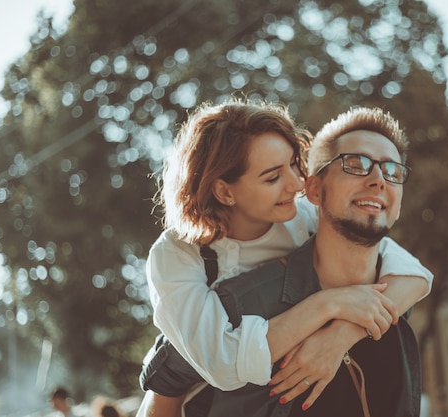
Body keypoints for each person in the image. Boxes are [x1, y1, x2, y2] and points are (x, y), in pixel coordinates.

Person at [137, 100, 432, 416]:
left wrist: (339, 337)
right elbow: (222, 366)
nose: (296, 184)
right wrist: (329, 303)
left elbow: (408, 271)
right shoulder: (176, 254)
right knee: (170, 371)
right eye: (272, 177)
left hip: (267, 362)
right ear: (225, 192)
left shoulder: (301, 214)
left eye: (294, 164)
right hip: (188, 372)